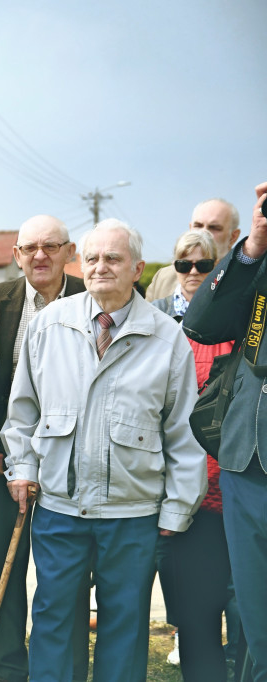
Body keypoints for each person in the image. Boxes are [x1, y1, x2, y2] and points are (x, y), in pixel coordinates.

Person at [3, 219, 207, 682]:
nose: (100, 267)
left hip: (132, 514)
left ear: (137, 268)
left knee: (125, 625)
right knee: (53, 619)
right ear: (81, 262)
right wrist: (21, 467)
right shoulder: (48, 326)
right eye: (92, 258)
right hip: (58, 507)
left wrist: (176, 510)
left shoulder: (166, 337)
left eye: (113, 258)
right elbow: (23, 413)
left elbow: (183, 432)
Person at [0, 215, 91, 682]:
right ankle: (8, 666)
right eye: (30, 248)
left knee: (65, 569)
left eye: (51, 247)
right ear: (16, 255)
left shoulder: (91, 296)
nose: (40, 256)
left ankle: (62, 667)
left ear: (68, 252)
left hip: (71, 459)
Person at [183, 181, 267, 681]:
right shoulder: (256, 263)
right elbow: (203, 323)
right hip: (248, 456)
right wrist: (253, 246)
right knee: (256, 619)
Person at [150, 229, 235, 681]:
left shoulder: (239, 323)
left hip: (234, 487)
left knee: (240, 610)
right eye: (185, 265)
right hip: (187, 492)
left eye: (205, 266)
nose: (194, 274)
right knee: (196, 613)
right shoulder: (162, 328)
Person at [146, 198, 241, 300]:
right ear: (190, 228)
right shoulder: (163, 279)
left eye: (214, 228)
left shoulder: (246, 282)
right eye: (198, 226)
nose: (204, 232)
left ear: (233, 237)